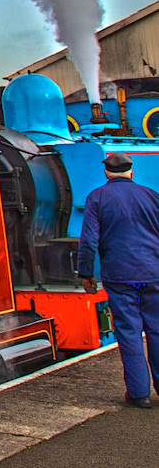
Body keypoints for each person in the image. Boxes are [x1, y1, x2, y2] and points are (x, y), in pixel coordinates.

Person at [78, 150, 159, 406]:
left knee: (129, 332)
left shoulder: (97, 197)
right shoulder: (151, 195)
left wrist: (86, 273)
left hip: (120, 276)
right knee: (157, 330)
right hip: (153, 273)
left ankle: (139, 394)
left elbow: (89, 241)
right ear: (131, 171)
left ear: (106, 172)